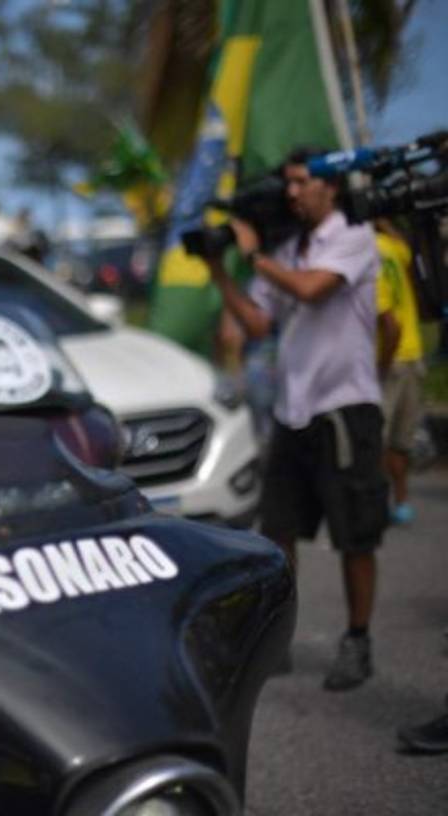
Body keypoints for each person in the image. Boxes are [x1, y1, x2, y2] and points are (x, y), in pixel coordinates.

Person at [207, 146, 388, 692]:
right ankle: (277, 638)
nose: (292, 192)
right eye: (287, 183)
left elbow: (312, 289)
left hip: (345, 408)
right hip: (294, 411)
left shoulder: (354, 238)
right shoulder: (291, 247)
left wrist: (256, 255)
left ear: (331, 187)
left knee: (355, 536)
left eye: (302, 182)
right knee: (278, 531)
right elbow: (260, 323)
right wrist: (219, 271)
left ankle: (358, 639)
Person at [374, 219, 425, 525]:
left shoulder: (366, 253)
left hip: (389, 357)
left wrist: (379, 366)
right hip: (414, 353)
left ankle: (377, 504)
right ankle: (401, 501)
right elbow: (407, 247)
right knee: (400, 440)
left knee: (376, 438)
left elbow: (389, 324)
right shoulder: (393, 247)